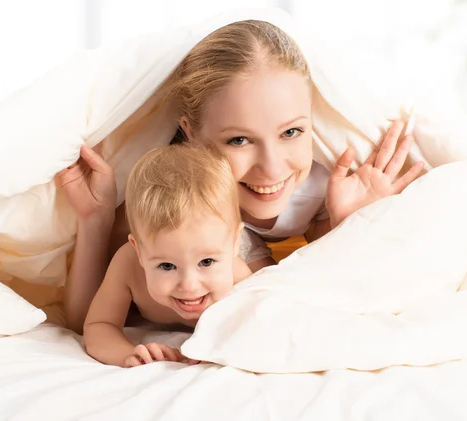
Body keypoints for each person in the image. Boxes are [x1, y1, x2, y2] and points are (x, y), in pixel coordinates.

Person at [56, 20, 423, 335]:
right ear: (192, 133)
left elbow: (306, 302)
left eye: (291, 132)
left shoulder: (318, 193)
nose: (273, 168)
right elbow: (85, 321)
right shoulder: (173, 202)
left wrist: (348, 225)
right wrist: (95, 220)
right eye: (239, 140)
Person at [82, 143, 251, 367]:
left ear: (234, 244)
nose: (189, 286)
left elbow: (261, 325)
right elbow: (99, 325)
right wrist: (129, 355)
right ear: (139, 250)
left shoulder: (239, 277)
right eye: (167, 266)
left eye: (206, 262)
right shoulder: (127, 265)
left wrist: (220, 346)